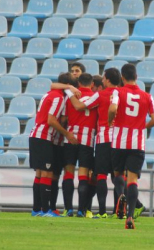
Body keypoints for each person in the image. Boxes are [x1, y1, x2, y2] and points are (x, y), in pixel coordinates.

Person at [108, 64, 154, 229]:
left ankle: (121, 195)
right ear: (136, 77)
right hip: (137, 143)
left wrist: (110, 121)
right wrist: (142, 126)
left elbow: (113, 108)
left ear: (122, 77)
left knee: (117, 174)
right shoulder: (147, 96)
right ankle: (130, 216)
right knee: (133, 180)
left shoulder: (118, 91)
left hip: (119, 141)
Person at [68, 68, 121, 219]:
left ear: (108, 80)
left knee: (102, 175)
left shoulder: (100, 94)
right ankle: (119, 211)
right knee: (118, 175)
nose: (102, 81)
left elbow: (79, 106)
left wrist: (69, 92)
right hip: (120, 140)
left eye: (104, 78)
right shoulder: (123, 94)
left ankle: (103, 211)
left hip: (103, 139)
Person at [29, 73, 79, 217]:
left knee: (39, 173)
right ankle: (46, 210)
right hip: (44, 137)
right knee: (47, 173)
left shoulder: (49, 94)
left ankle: (36, 209)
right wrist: (67, 133)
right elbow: (51, 120)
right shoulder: (58, 98)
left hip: (36, 135)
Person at [62, 73, 98, 217]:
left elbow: (64, 118)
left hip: (70, 138)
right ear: (92, 84)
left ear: (78, 83)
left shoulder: (71, 96)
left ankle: (68, 208)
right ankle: (81, 210)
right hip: (87, 139)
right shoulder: (96, 97)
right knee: (83, 175)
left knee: (69, 173)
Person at [49, 73, 78, 216]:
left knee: (60, 174)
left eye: (77, 70)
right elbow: (52, 85)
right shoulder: (63, 95)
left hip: (63, 141)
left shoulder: (67, 96)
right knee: (56, 175)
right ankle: (54, 207)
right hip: (60, 140)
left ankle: (57, 207)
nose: (75, 72)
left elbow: (64, 119)